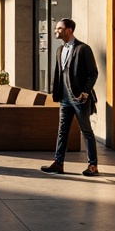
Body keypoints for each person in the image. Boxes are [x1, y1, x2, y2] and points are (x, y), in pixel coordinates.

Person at [40, 18, 100, 176]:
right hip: (65, 99)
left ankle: (93, 165)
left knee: (86, 131)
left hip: (79, 99)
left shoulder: (83, 49)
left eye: (59, 29)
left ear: (69, 30)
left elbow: (93, 73)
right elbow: (59, 73)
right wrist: (56, 92)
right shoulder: (60, 50)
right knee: (62, 131)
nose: (56, 31)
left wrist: (86, 92)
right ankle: (59, 163)